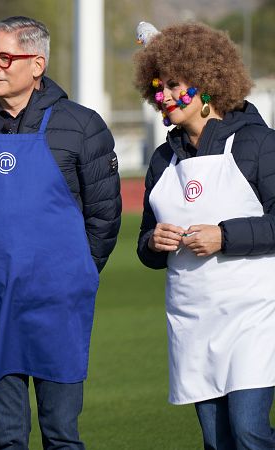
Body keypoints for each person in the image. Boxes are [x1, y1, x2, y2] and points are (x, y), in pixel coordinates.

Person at [0, 16, 122, 449]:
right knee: (6, 438)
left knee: (61, 434)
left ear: (37, 64)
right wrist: (1, 262)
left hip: (57, 299)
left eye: (6, 57)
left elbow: (104, 216)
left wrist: (76, 271)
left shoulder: (81, 125)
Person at [134, 22, 275, 450]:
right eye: (158, 87)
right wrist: (153, 243)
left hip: (254, 314)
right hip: (192, 319)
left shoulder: (258, 143)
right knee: (217, 441)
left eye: (175, 85)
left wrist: (225, 236)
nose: (165, 96)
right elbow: (145, 245)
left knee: (250, 431)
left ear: (208, 83)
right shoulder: (163, 160)